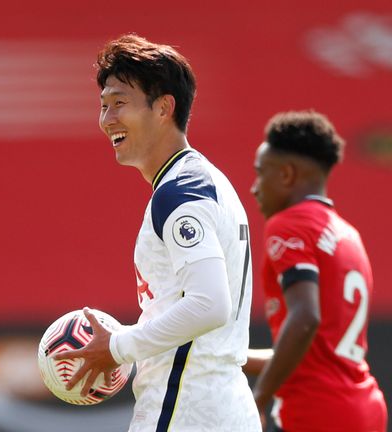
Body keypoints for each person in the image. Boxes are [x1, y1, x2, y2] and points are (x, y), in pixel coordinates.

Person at [54, 34, 260, 431]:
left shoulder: (181, 192)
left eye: (119, 103)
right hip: (218, 403)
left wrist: (116, 347)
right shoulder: (203, 181)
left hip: (185, 407)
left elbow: (209, 304)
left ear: (164, 107)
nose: (107, 119)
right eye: (103, 106)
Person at [245, 110, 387, 431]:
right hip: (364, 405)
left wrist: (259, 398)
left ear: (286, 174)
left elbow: (306, 318)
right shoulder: (348, 234)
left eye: (260, 173)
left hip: (318, 411)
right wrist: (230, 357)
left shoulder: (290, 223)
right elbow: (312, 355)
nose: (255, 187)